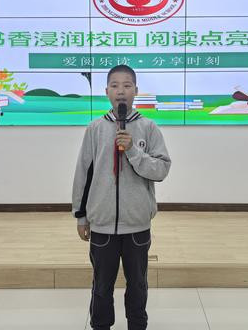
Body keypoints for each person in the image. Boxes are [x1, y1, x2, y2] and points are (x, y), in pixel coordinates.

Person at [72, 64, 171, 330]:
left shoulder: (149, 128)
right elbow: (83, 174)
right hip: (102, 225)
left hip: (137, 225)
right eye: (115, 86)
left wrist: (133, 151)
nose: (121, 91)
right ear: (106, 91)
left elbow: (161, 169)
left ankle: (137, 325)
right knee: (101, 286)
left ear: (135, 91)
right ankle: (100, 325)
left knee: (137, 284)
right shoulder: (95, 129)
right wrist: (81, 216)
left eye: (127, 85)